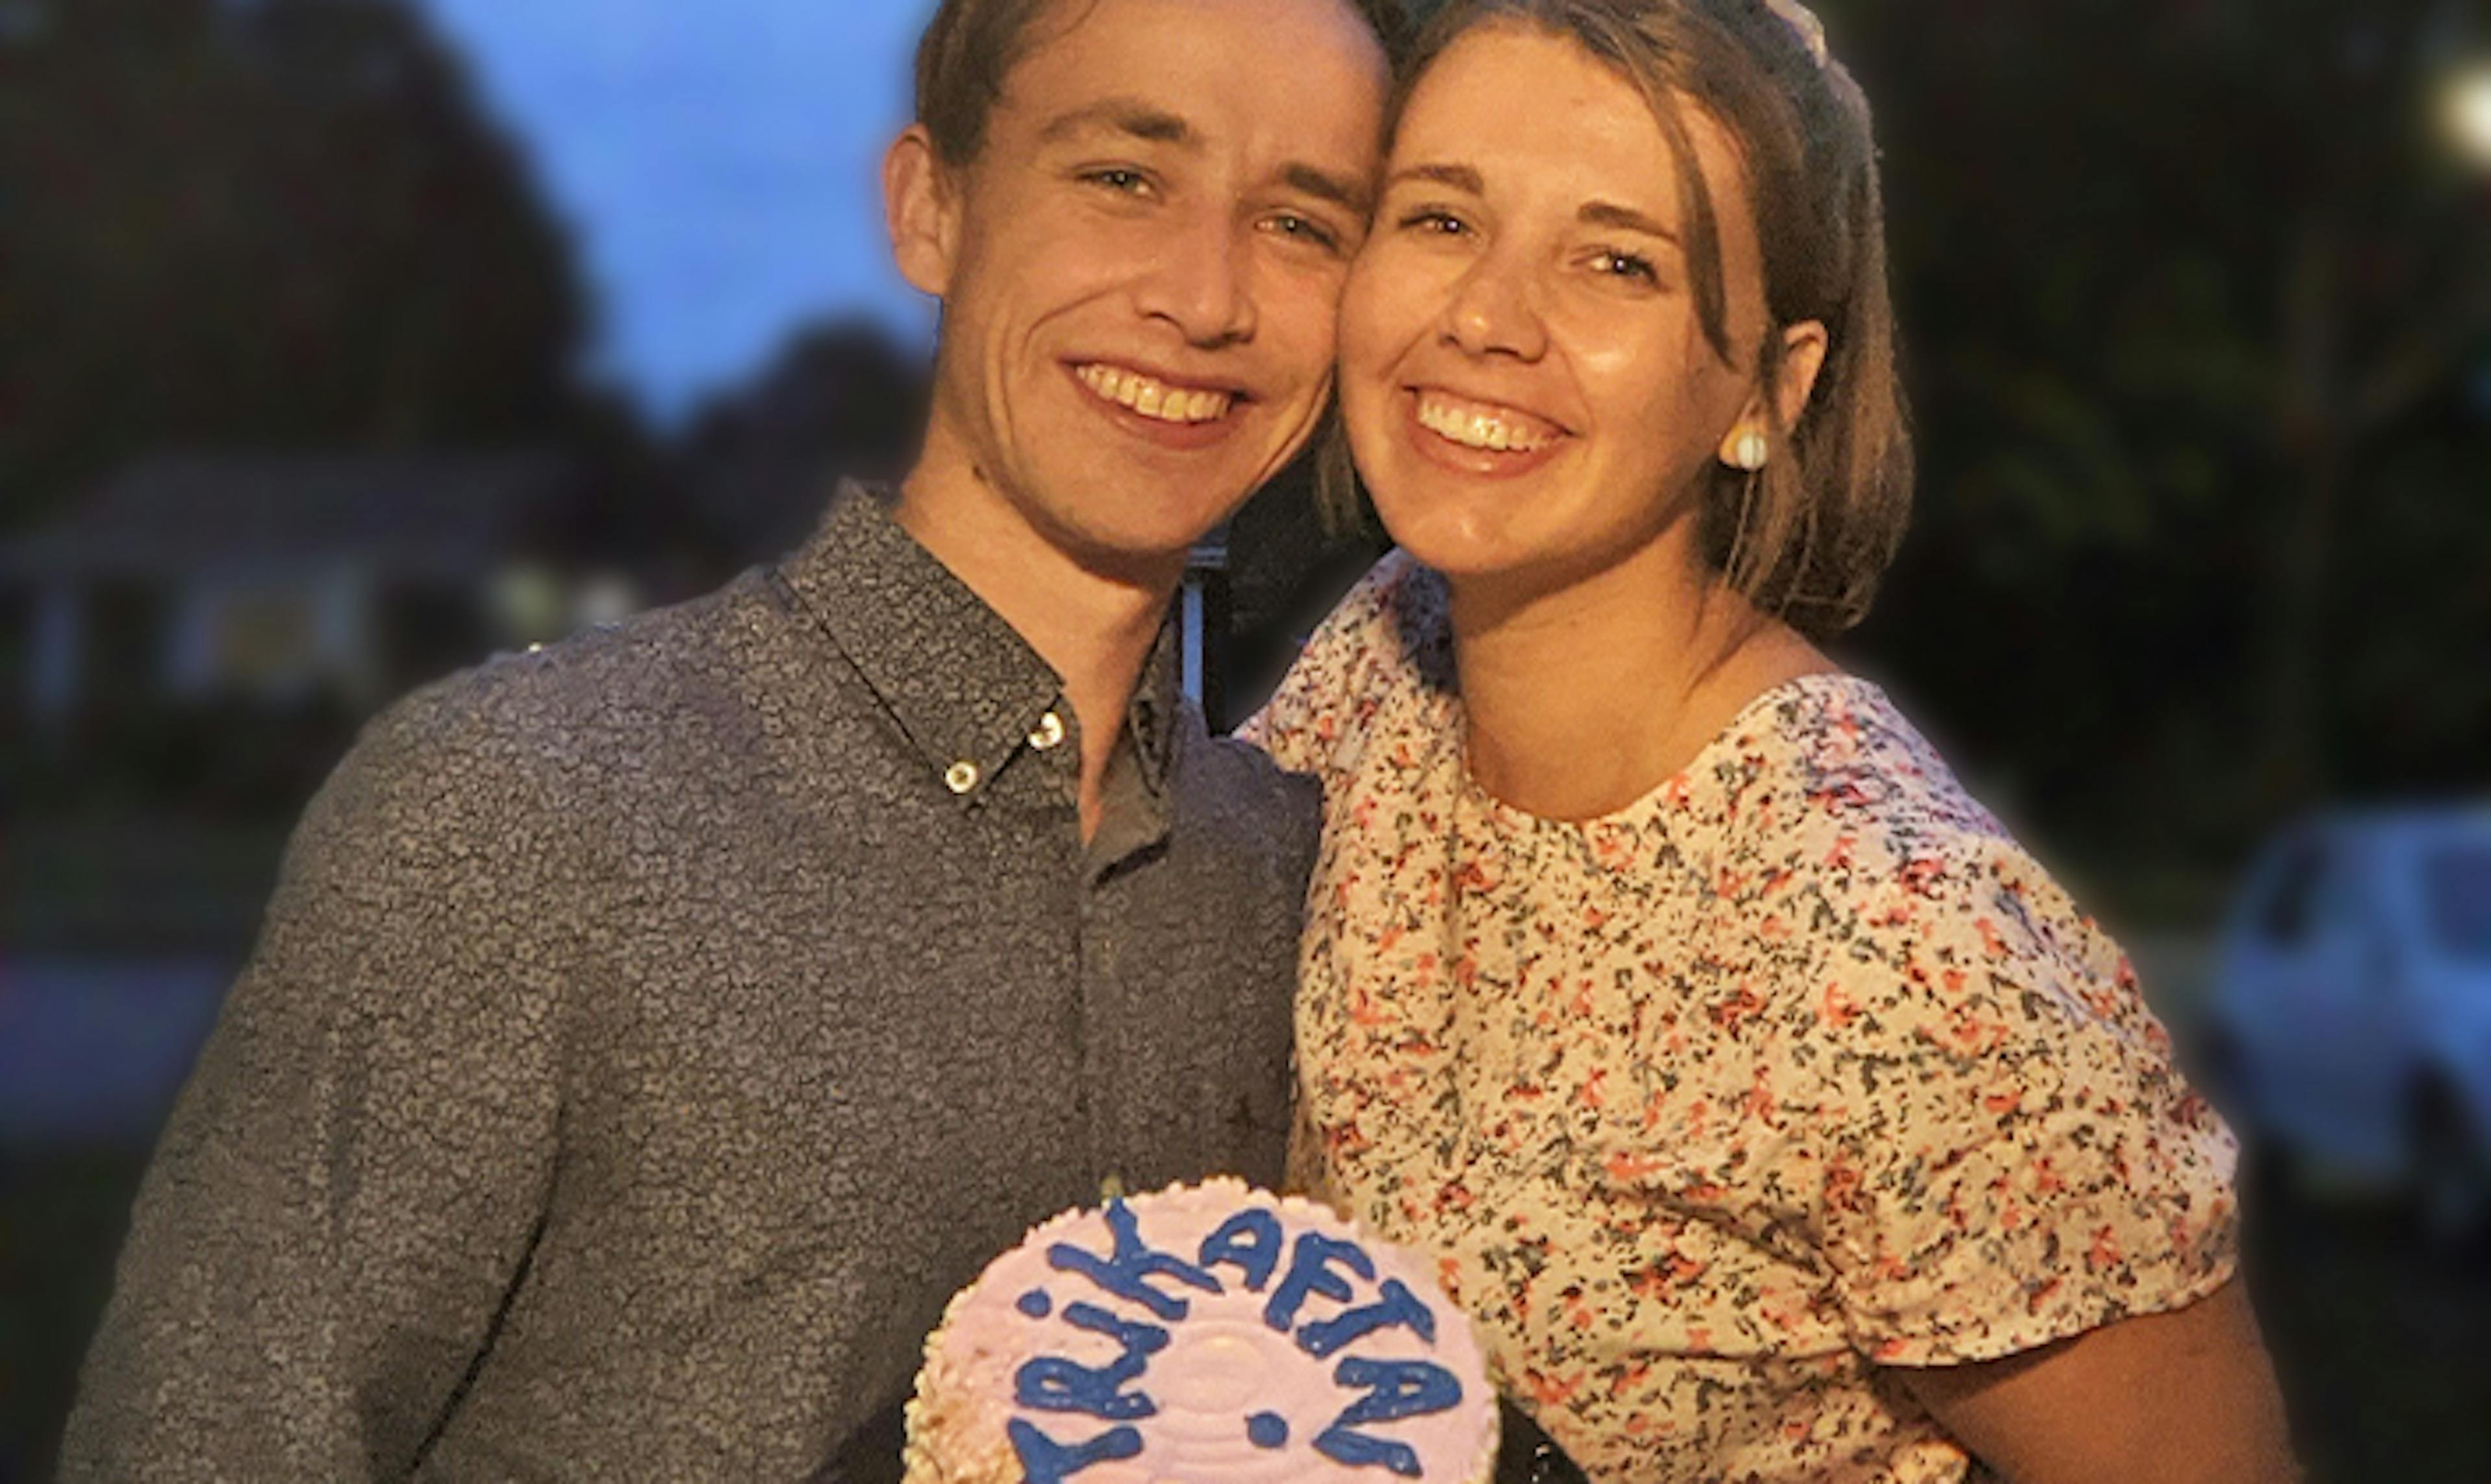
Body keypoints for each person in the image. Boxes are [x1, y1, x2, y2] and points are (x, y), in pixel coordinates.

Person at [58, 0, 1391, 1478]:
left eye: (1300, 223)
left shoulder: (1285, 871)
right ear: (929, 207)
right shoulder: (520, 812)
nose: (1207, 297)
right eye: (1123, 178)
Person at [1244, 1, 2299, 1479]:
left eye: (1620, 261)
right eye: (1439, 217)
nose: (1485, 316)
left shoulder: (1908, 951)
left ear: (1766, 388)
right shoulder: (1382, 659)